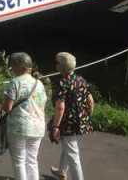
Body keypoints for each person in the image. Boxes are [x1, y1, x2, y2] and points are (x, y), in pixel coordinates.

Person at [1, 51, 47, 180]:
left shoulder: (15, 82)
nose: (11, 69)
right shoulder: (39, 83)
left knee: (19, 161)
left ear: (19, 67)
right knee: (32, 160)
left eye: (12, 66)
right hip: (38, 126)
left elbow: (7, 107)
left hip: (19, 127)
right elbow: (43, 104)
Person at [50, 52, 93, 180]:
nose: (55, 64)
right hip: (80, 120)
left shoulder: (63, 82)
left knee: (73, 154)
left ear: (61, 67)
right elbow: (90, 100)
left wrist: (55, 126)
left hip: (67, 123)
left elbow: (60, 107)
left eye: (57, 62)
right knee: (68, 146)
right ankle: (61, 171)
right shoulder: (80, 79)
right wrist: (88, 115)